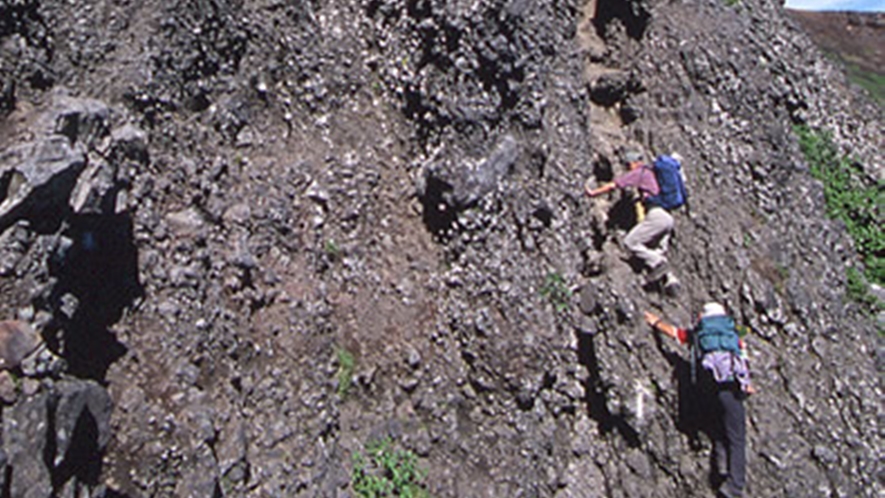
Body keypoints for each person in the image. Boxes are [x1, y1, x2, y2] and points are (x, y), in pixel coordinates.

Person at [644, 303, 755, 498]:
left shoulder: (700, 334)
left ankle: (721, 470)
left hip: (708, 391)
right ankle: (734, 486)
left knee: (720, 429)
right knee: (737, 438)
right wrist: (747, 384)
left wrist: (656, 322)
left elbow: (676, 334)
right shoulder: (732, 336)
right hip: (731, 389)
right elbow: (742, 360)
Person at [585, 151, 680, 293]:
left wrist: (593, 193)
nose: (627, 168)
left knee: (630, 242)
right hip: (668, 218)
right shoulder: (654, 174)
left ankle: (660, 264)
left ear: (634, 163)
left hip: (656, 215)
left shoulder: (640, 173)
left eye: (628, 164)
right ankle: (670, 281)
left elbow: (614, 185)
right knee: (655, 249)